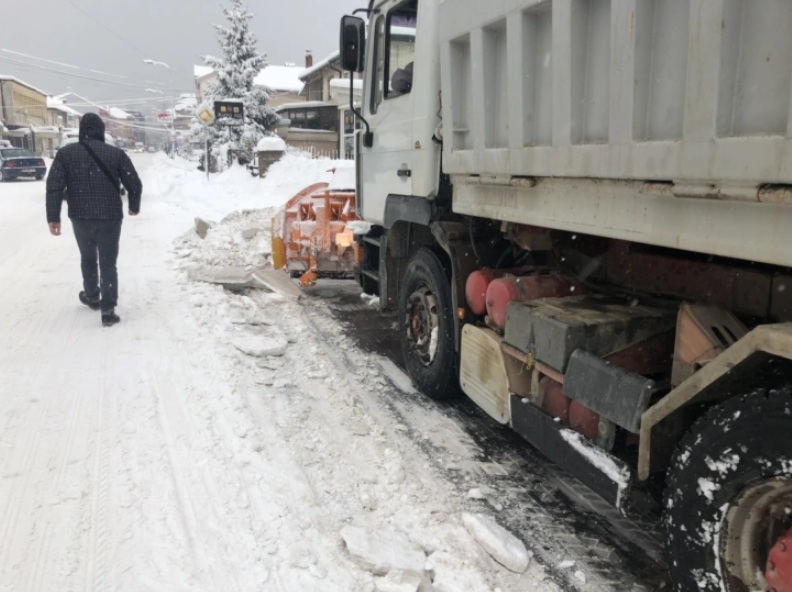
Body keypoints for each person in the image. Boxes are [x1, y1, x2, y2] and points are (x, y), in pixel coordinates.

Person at [46, 113, 143, 327]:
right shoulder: (115, 154)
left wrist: (53, 217)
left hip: (80, 216)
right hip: (110, 217)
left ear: (81, 130)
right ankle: (108, 310)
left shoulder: (66, 154)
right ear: (101, 130)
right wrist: (133, 206)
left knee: (88, 257)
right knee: (108, 262)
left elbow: (53, 187)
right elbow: (134, 184)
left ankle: (92, 296)